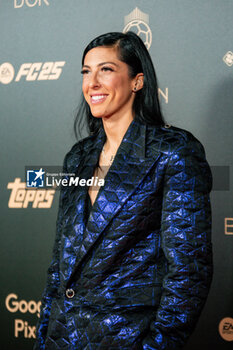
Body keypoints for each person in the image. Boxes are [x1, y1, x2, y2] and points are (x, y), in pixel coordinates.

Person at [34, 31, 213, 350]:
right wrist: (44, 336)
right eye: (86, 72)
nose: (93, 83)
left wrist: (156, 346)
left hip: (127, 340)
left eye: (106, 69)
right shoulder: (78, 156)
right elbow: (60, 264)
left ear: (137, 81)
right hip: (62, 339)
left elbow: (189, 271)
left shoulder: (174, 151)